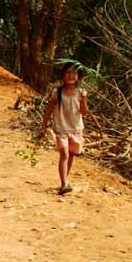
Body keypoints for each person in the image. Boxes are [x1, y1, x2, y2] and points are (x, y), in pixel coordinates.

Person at [40, 62, 88, 194]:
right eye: (68, 72)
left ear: (78, 76)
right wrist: (43, 126)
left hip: (76, 129)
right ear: (62, 75)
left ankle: (65, 179)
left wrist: (83, 100)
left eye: (74, 73)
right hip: (61, 129)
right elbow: (49, 110)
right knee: (64, 154)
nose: (71, 75)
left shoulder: (80, 93)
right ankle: (64, 183)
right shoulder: (58, 93)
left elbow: (84, 112)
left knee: (71, 155)